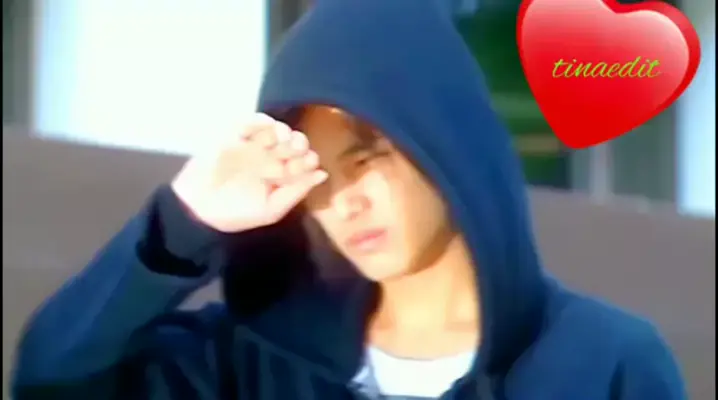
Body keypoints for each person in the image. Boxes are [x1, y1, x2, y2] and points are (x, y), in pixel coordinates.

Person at [11, 1, 685, 399]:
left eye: (366, 158)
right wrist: (185, 220)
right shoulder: (252, 359)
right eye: (317, 178)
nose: (344, 203)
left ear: (444, 142)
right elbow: (52, 379)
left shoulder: (604, 360)